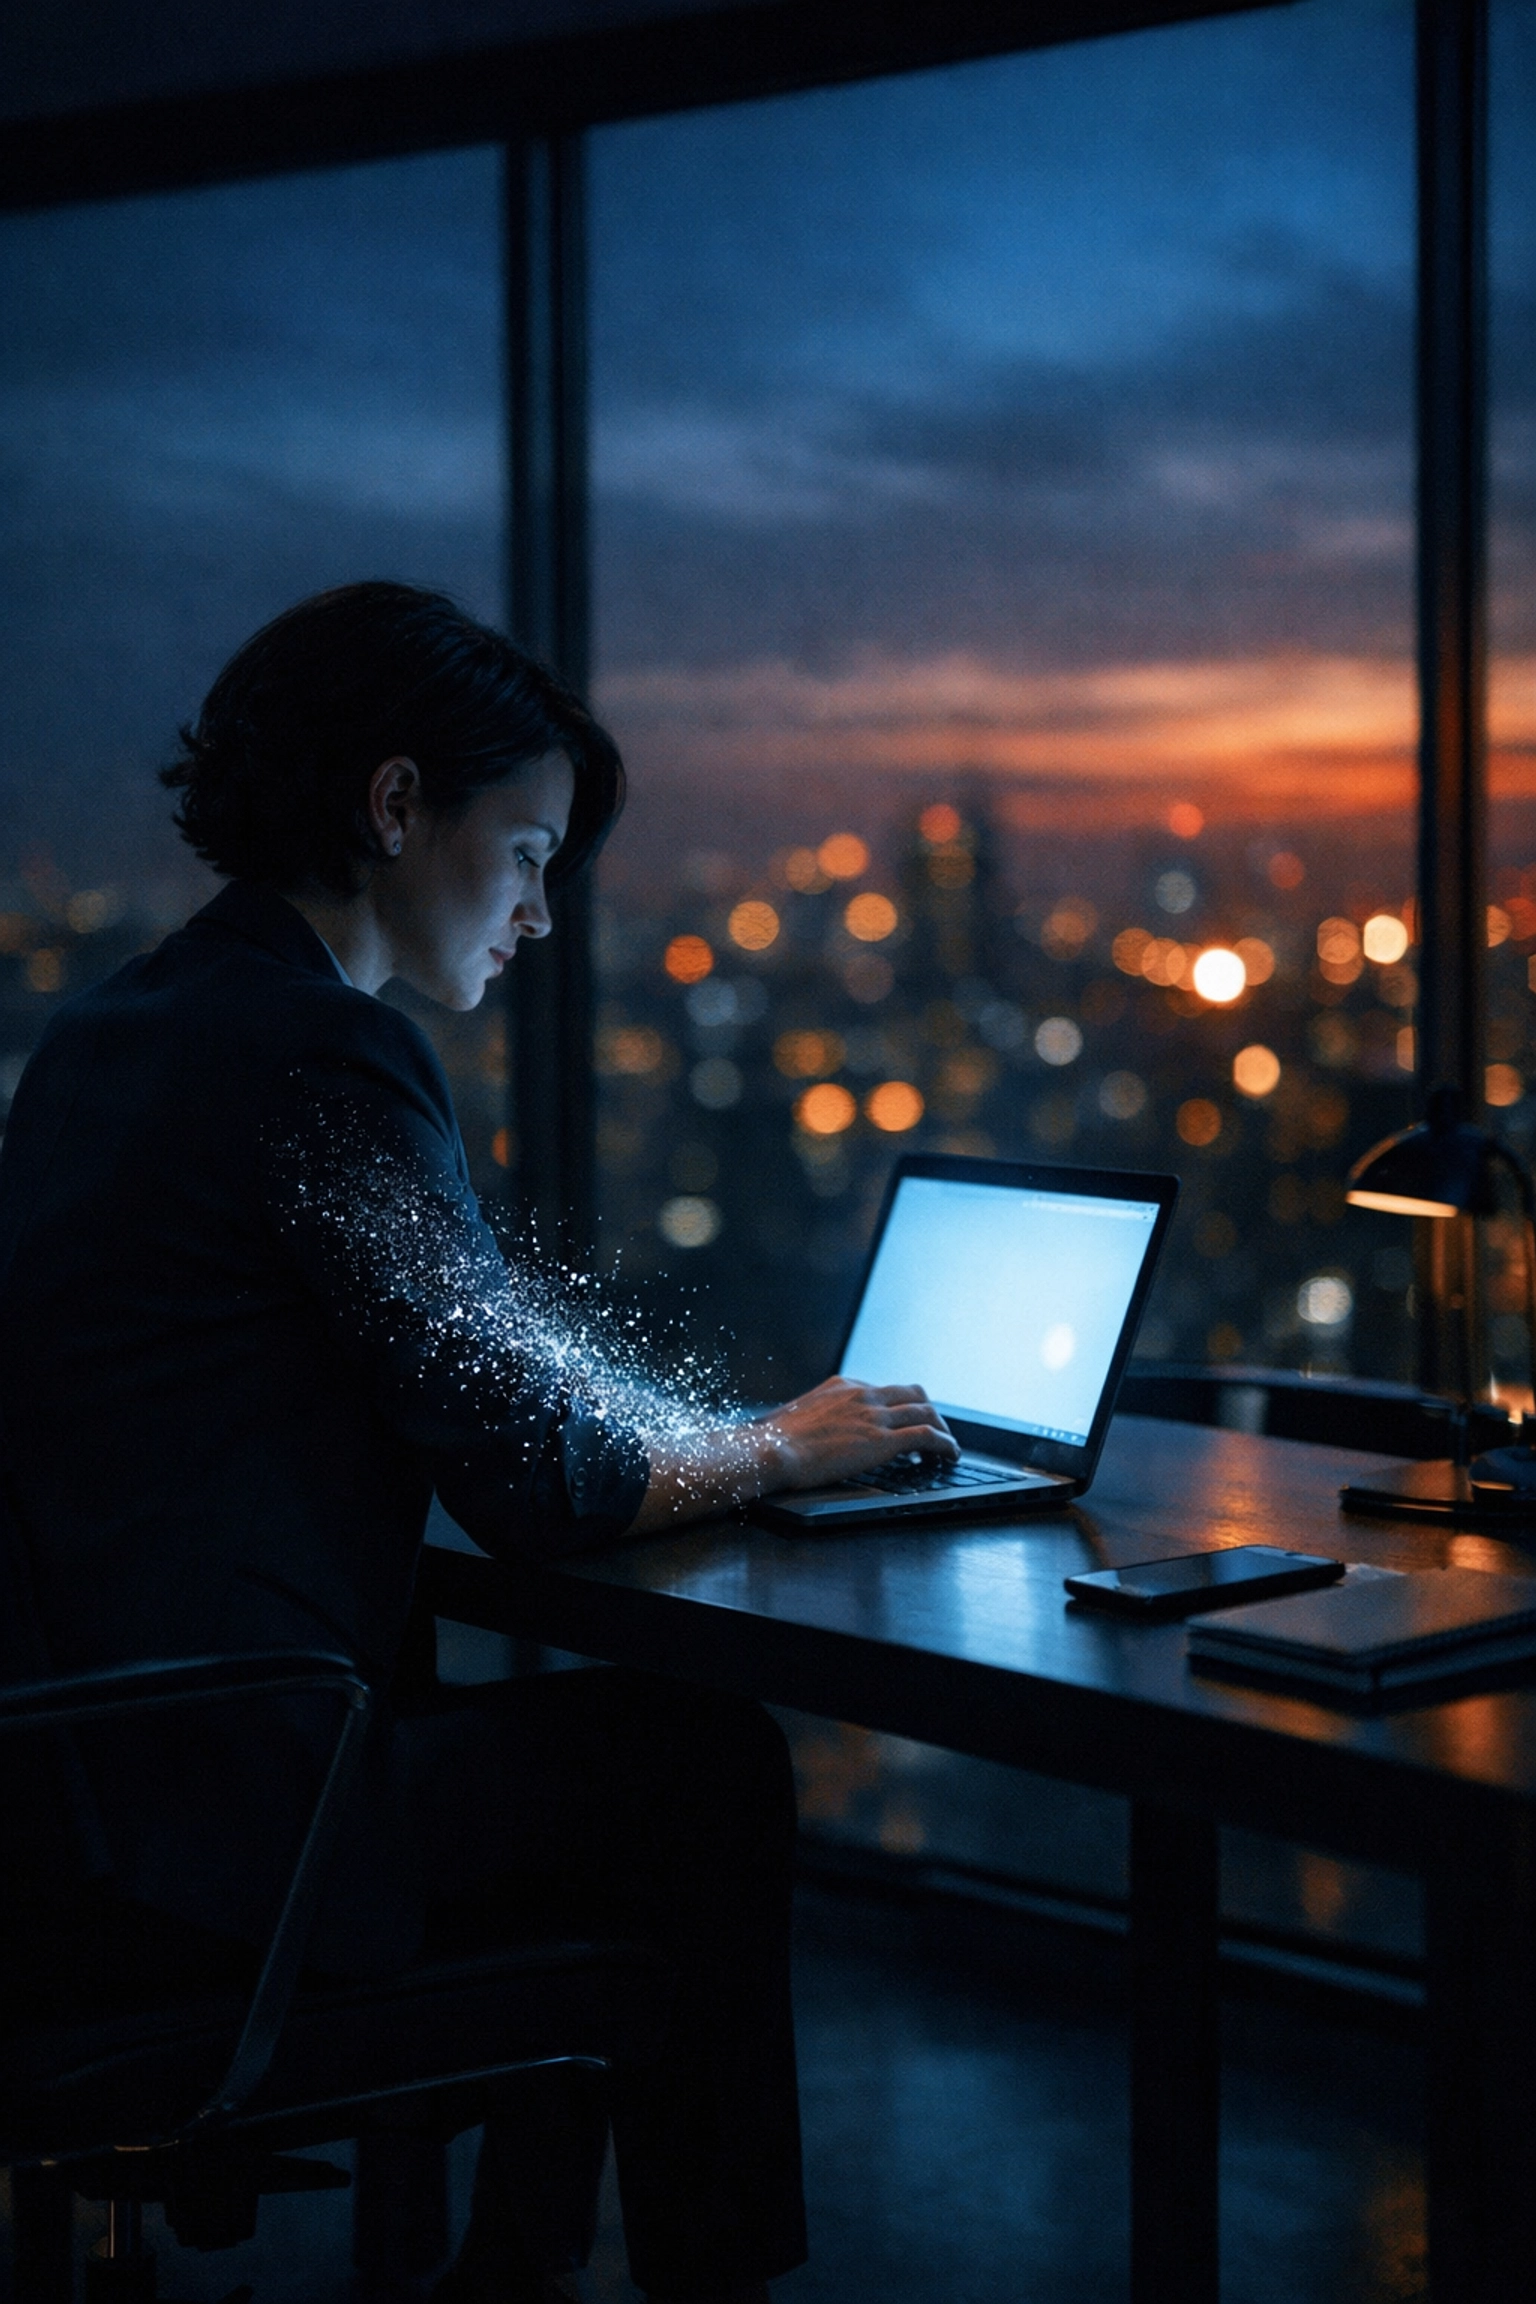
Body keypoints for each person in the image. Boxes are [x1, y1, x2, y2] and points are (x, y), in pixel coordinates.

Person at [0, 582, 955, 2304]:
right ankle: (666, 2279)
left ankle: (511, 2268)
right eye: (523, 854)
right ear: (391, 810)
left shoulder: (106, 1033)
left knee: (614, 1774)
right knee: (699, 1763)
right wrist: (780, 1444)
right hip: (216, 1834)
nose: (534, 914)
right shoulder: (320, 1054)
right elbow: (550, 1483)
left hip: (60, 1804)